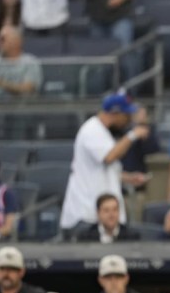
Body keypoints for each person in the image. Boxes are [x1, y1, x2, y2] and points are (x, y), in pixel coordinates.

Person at [59, 92, 150, 234]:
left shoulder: (103, 132)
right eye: (126, 115)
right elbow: (109, 157)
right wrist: (133, 134)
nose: (128, 119)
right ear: (115, 113)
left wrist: (128, 178)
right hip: (85, 214)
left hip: (99, 214)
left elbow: (105, 169)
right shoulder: (91, 130)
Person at [0, 26, 43, 96]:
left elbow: (28, 89)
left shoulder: (30, 62)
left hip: (18, 102)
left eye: (2, 39)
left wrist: (2, 83)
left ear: (16, 41)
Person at [75, 192, 141, 242]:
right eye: (106, 211)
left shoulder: (131, 236)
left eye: (115, 210)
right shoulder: (86, 237)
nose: (111, 215)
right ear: (98, 213)